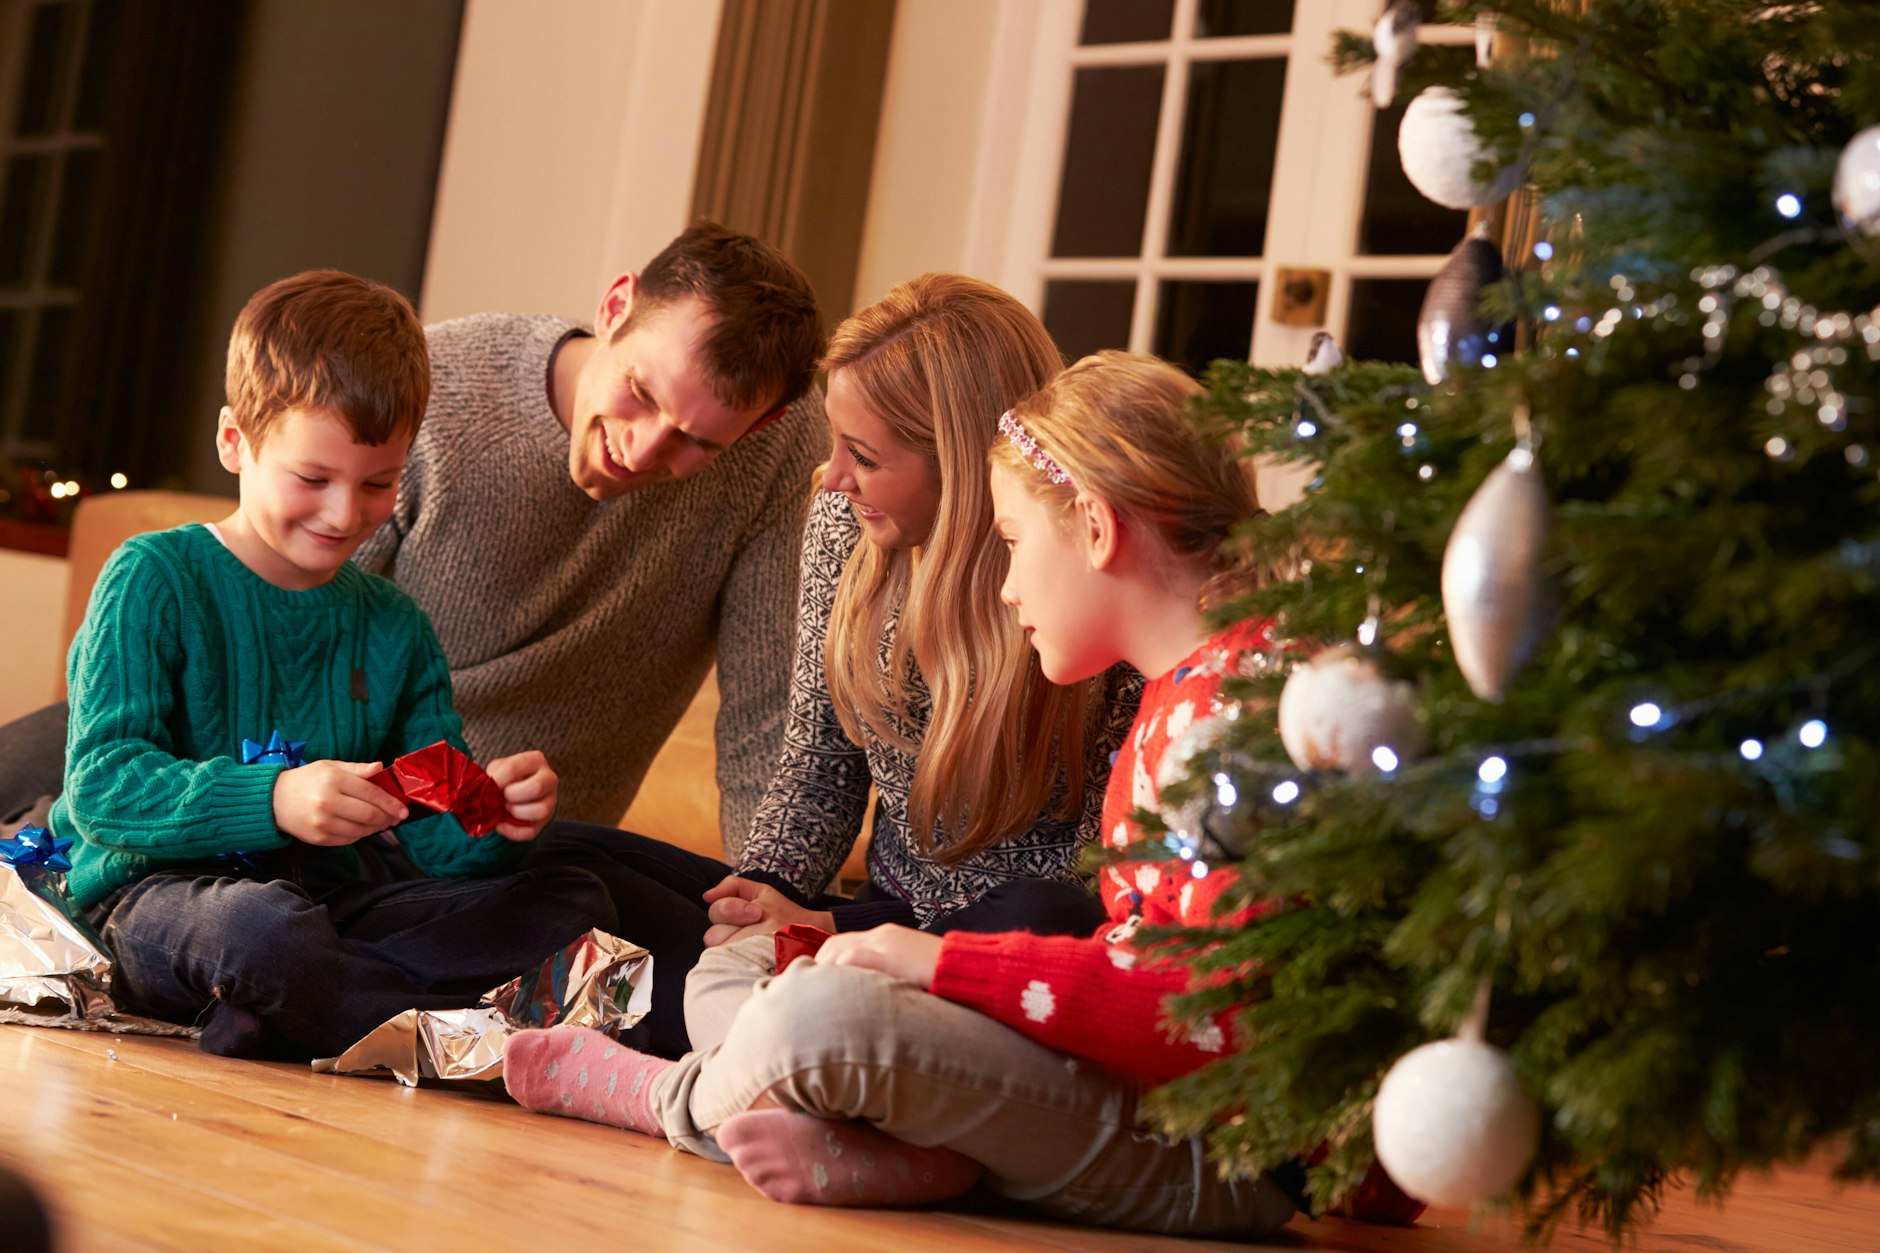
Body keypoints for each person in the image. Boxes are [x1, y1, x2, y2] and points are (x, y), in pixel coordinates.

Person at [496, 351, 1320, 1236]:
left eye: (1012, 543)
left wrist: (941, 965)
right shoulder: (1196, 686)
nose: (1006, 587)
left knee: (816, 1014)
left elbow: (1208, 1010)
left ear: (1092, 526)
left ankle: (663, 1094)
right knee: (765, 965)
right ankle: (916, 1152)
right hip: (1124, 1092)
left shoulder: (1235, 721)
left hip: (1218, 1153)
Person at [1, 222, 827, 853]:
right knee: (65, 781)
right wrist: (266, 801)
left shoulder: (783, 455)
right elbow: (278, 643)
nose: (643, 450)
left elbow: (772, 715)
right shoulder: (439, 389)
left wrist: (768, 896)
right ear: (615, 309)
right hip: (265, 766)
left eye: (698, 442)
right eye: (641, 394)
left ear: (766, 422)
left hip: (461, 830)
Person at [516, 274, 1140, 1059]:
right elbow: (819, 760)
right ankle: (723, 1030)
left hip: (986, 941)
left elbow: (1094, 888)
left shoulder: (1084, 587)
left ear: (960, 464)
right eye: (836, 441)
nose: (835, 474)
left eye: (866, 456)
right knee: (562, 854)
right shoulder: (843, 524)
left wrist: (831, 929)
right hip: (866, 920)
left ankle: (678, 1035)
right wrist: (769, 887)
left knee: (1042, 911)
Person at [53, 271, 616, 1059]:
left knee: (571, 899)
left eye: (378, 482)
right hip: (158, 897)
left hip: (336, 905)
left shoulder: (395, 626)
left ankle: (293, 1010)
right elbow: (106, 788)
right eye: (312, 479)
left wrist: (498, 821)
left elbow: (436, 848)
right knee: (258, 931)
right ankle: (417, 1023)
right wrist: (275, 798)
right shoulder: (153, 577)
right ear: (234, 443)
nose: (345, 513)